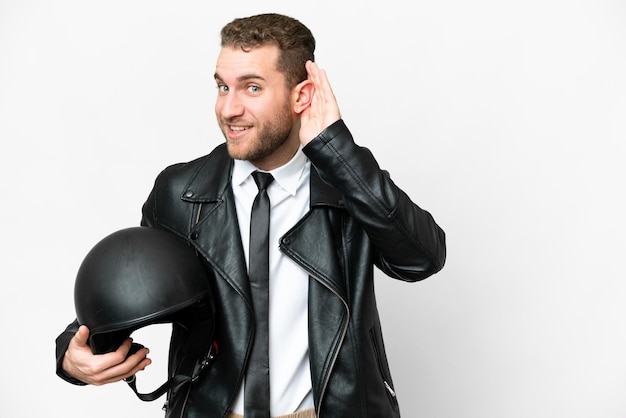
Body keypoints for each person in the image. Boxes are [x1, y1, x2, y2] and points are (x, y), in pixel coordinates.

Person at [55, 12, 446, 418]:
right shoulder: (179, 193)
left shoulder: (348, 187)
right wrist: (72, 353)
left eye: (252, 88)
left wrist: (338, 151)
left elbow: (421, 258)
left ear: (302, 96)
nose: (228, 108)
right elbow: (128, 290)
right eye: (223, 86)